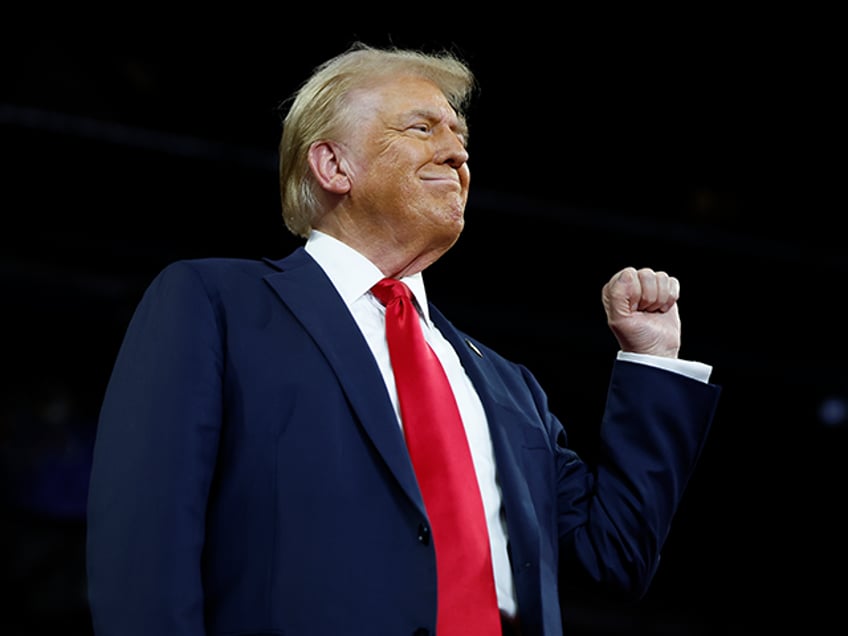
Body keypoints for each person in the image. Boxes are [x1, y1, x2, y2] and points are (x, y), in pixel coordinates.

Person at [85, 41, 721, 636]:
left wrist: (652, 360)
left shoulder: (506, 384)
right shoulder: (218, 305)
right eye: (423, 129)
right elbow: (144, 544)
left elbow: (615, 557)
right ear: (333, 164)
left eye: (460, 138)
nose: (457, 153)